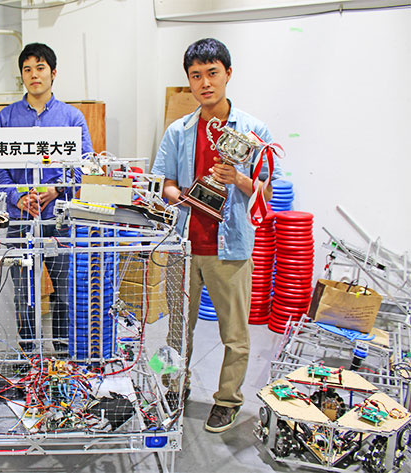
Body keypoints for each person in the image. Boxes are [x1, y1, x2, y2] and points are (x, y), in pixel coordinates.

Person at [151, 38, 282, 432]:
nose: (204, 82)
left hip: (232, 246)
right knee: (176, 328)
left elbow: (267, 194)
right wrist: (184, 197)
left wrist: (238, 179)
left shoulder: (254, 131)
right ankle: (174, 385)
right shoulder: (178, 131)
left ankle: (227, 400)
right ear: (188, 81)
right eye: (196, 76)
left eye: (212, 73)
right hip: (184, 246)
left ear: (228, 73)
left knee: (235, 334)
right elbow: (164, 184)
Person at [0, 42, 94, 354]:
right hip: (21, 221)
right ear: (21, 75)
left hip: (60, 220)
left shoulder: (72, 118)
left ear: (53, 73)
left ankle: (62, 355)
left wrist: (57, 189)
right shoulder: (6, 118)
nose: (34, 75)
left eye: (40, 68)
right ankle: (28, 356)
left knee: (64, 290)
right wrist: (18, 196)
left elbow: (85, 167)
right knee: (25, 293)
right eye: (27, 69)